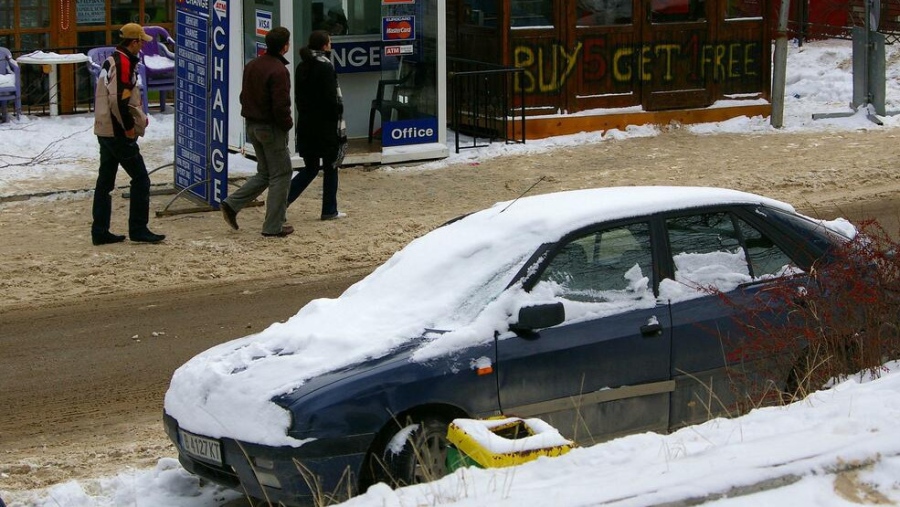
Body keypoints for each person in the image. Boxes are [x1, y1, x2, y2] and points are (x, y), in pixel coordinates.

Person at [91, 23, 165, 245]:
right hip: (117, 131)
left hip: (104, 128)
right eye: (141, 42)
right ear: (134, 42)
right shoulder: (123, 63)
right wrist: (128, 128)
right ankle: (138, 229)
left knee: (105, 183)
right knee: (141, 179)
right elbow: (118, 101)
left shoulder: (112, 59)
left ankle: (100, 231)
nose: (142, 46)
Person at [220, 26, 294, 237]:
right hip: (270, 128)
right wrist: (287, 124)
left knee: (265, 173)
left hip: (252, 125)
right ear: (284, 46)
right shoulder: (279, 70)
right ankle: (273, 226)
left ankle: (232, 204)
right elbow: (281, 105)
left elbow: (244, 95)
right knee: (281, 174)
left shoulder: (253, 64)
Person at [288, 30, 348, 221]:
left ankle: (281, 202)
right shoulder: (325, 66)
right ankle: (329, 209)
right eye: (329, 42)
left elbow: (300, 98)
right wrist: (337, 119)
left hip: (307, 124)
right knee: (331, 167)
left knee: (310, 168)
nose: (331, 45)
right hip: (325, 127)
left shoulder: (302, 66)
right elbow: (331, 100)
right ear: (324, 46)